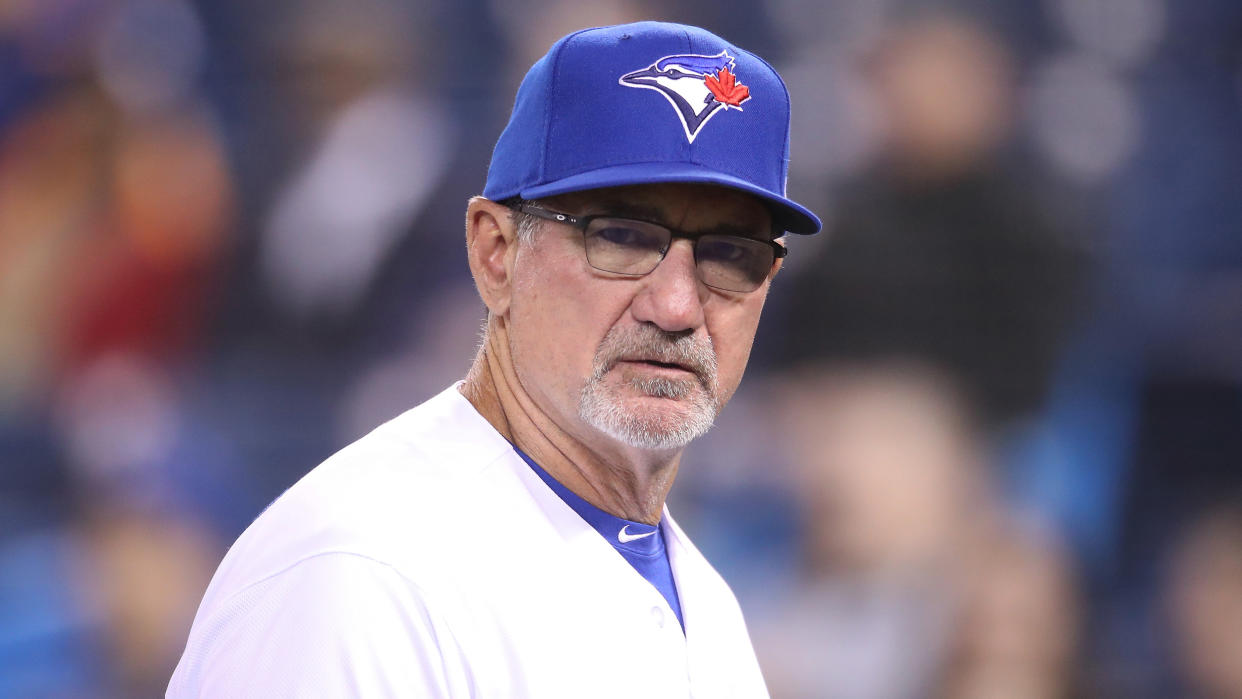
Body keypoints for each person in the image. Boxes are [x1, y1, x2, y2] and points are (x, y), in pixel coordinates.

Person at [168, 21, 820, 697]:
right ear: (496, 255)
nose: (678, 305)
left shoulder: (710, 607)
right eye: (622, 237)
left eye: (730, 254)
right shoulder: (362, 573)